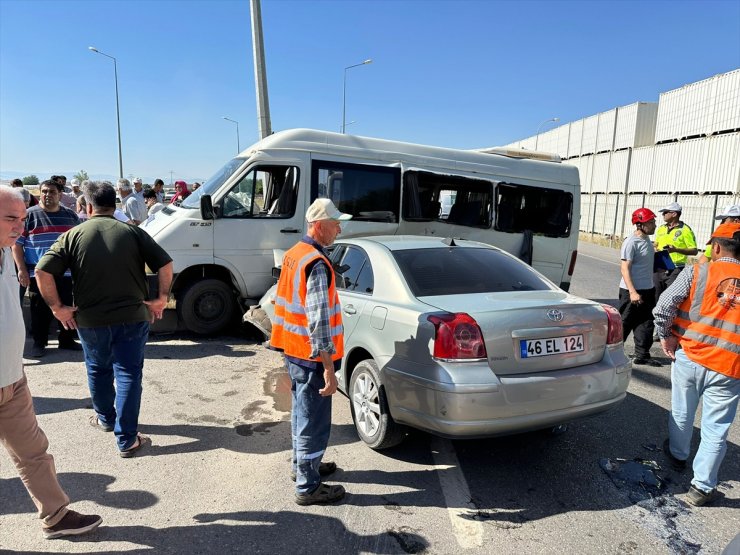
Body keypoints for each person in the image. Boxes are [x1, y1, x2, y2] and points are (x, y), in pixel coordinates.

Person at [34, 181, 173, 458]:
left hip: (90, 319)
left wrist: (57, 308)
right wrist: (162, 298)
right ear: (116, 205)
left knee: (98, 369)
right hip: (133, 316)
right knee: (128, 373)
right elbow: (165, 263)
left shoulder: (73, 235)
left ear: (86, 206)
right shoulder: (133, 232)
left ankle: (106, 419)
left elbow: (42, 271)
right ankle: (127, 439)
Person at [0, 185, 103, 539]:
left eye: (21, 218)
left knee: (34, 453)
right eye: (10, 218)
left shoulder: (5, 254)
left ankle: (56, 516)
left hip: (12, 379)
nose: (19, 226)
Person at [270, 198, 351, 506]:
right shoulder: (316, 263)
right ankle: (308, 485)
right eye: (335, 224)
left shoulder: (294, 254)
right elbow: (319, 323)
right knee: (313, 421)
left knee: (302, 414)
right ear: (319, 226)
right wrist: (330, 370)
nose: (339, 229)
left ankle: (303, 466)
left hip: (293, 350)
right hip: (311, 356)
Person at [654, 222, 740, 507]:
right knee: (717, 427)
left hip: (691, 355)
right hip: (730, 365)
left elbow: (664, 306)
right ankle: (702, 488)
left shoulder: (697, 271)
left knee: (683, 409)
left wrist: (666, 337)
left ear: (715, 246)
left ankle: (678, 456)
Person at [11, 179, 81, 358]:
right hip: (38, 274)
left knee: (67, 306)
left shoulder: (70, 216)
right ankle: (39, 343)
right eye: (44, 191)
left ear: (60, 194)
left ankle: (66, 340)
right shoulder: (28, 215)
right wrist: (21, 269)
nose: (47, 195)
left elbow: (79, 243)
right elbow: (17, 245)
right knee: (39, 309)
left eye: (52, 192)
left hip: (66, 273)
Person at [618, 208, 662, 366]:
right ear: (640, 224)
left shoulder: (647, 241)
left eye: (654, 221)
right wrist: (632, 292)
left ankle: (642, 355)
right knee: (624, 323)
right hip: (631, 291)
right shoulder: (631, 242)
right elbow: (624, 268)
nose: (655, 225)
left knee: (646, 323)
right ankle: (613, 354)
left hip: (648, 290)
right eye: (651, 222)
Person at [654, 202, 698, 298]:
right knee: (655, 295)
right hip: (659, 266)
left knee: (670, 297)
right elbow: (656, 244)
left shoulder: (685, 230)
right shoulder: (661, 228)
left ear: (674, 214)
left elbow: (694, 251)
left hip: (676, 269)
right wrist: (653, 247)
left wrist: (676, 250)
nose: (663, 215)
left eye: (665, 212)